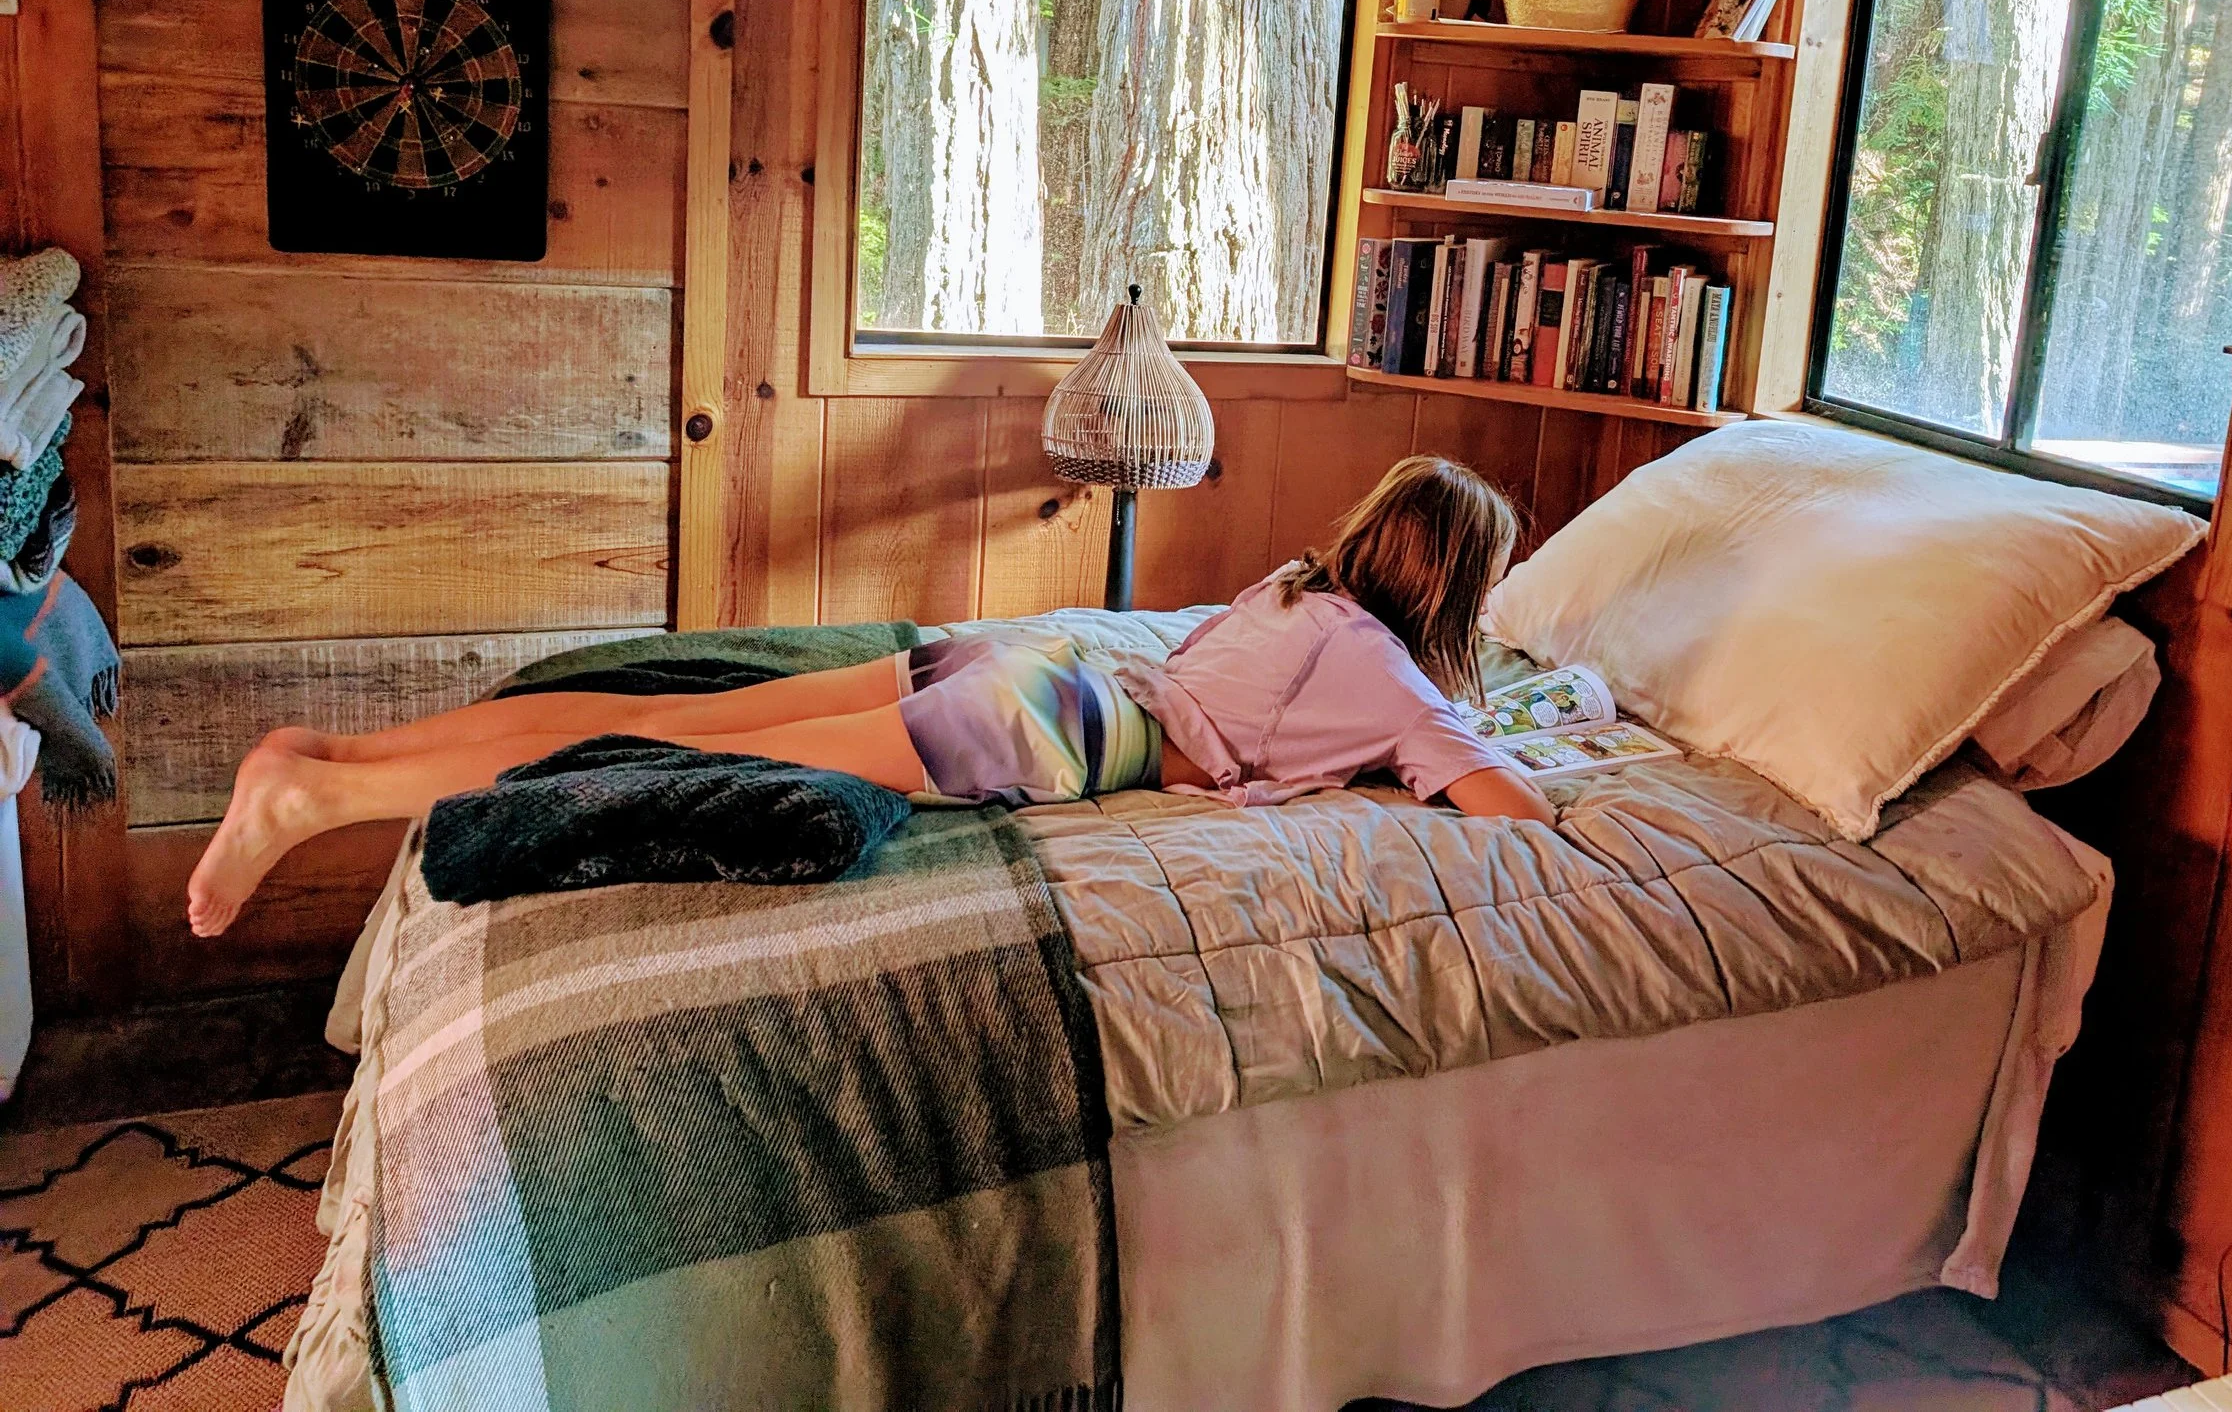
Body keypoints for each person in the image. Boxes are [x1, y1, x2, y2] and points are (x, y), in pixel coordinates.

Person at [186, 455, 1556, 938]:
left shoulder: (1288, 588)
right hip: (1051, 728)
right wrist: (1471, 720)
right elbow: (1516, 812)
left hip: (1030, 661)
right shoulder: (1394, 676)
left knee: (671, 720)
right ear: (1456, 594)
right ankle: (325, 794)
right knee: (655, 754)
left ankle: (343, 756)